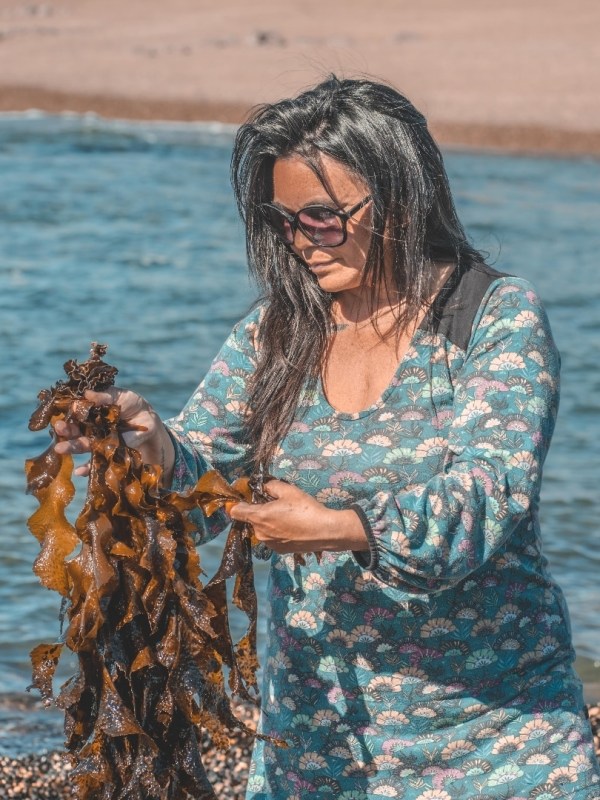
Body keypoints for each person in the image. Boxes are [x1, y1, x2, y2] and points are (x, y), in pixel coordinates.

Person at [55, 76, 600, 799]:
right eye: (284, 220)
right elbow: (204, 486)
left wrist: (341, 527)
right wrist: (149, 442)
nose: (300, 241)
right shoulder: (275, 334)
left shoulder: (493, 317)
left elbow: (487, 498)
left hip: (500, 749)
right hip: (317, 751)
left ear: (399, 195)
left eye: (322, 217)